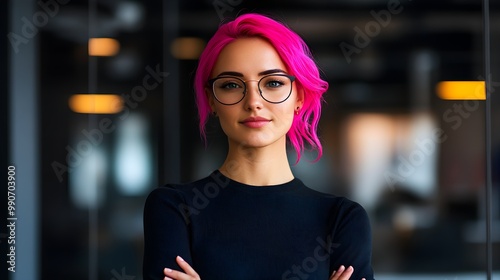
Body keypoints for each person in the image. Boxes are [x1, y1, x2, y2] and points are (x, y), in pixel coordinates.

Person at [143, 13, 375, 280]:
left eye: (273, 83)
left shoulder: (342, 219)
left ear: (299, 96)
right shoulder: (174, 208)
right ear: (212, 101)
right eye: (231, 85)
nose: (253, 101)